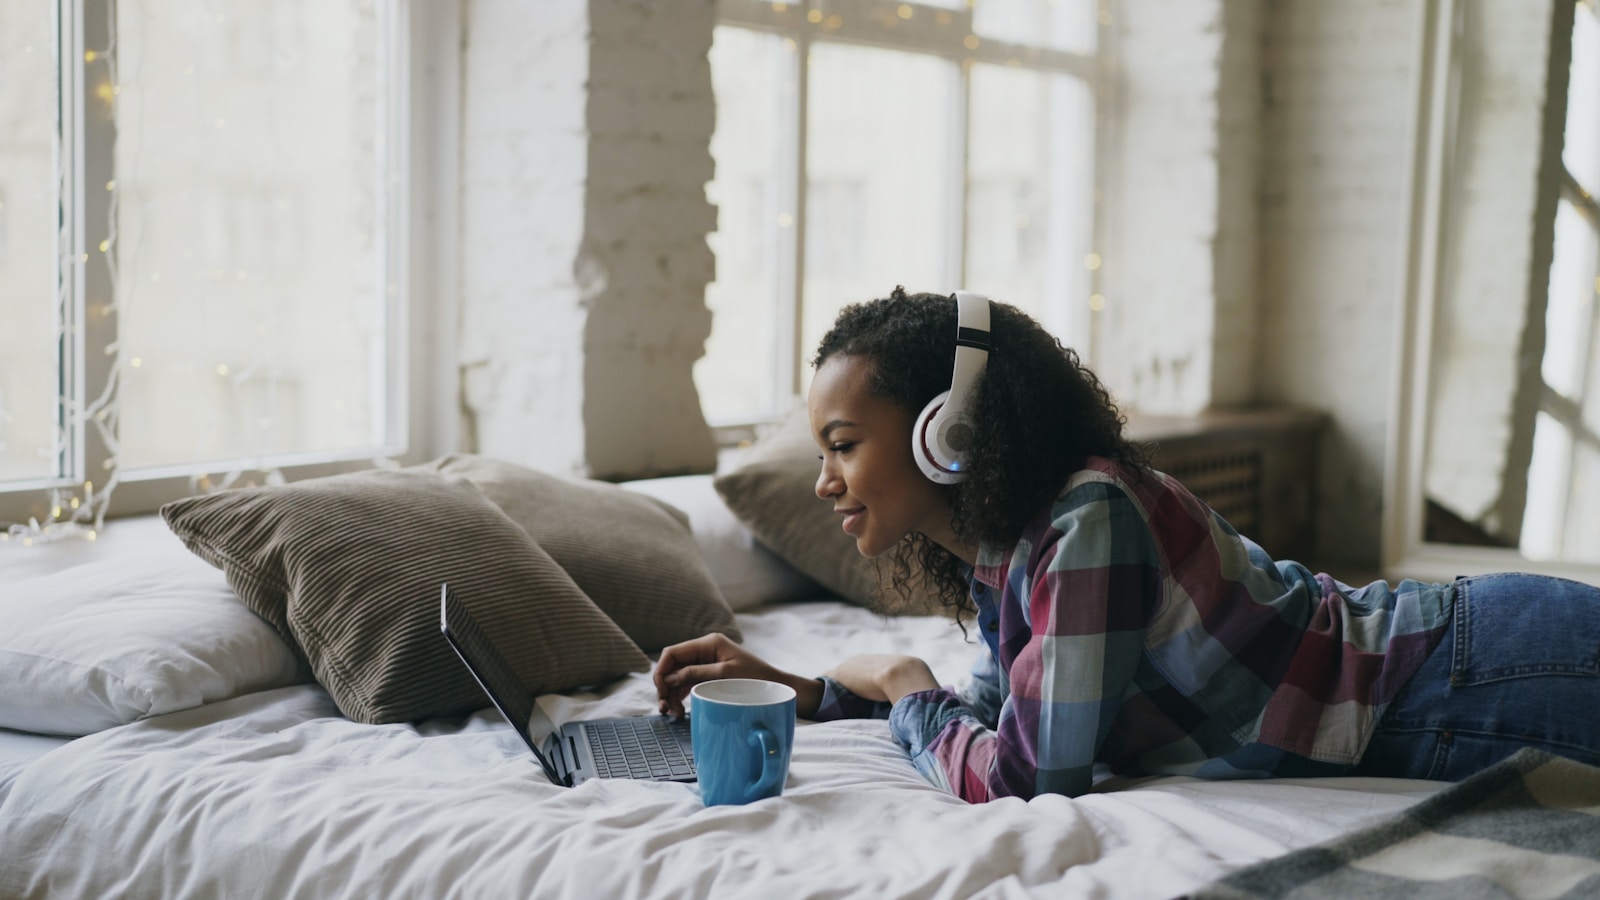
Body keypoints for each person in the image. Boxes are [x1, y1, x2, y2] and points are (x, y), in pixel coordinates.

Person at [654, 287, 1600, 803]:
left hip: (1478, 668)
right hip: (1456, 681)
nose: (824, 483)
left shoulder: (1084, 520)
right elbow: (995, 718)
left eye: (843, 446)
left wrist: (904, 685)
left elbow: (1028, 776)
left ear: (946, 429)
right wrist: (801, 691)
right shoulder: (1009, 554)